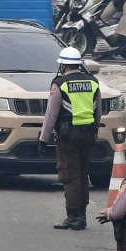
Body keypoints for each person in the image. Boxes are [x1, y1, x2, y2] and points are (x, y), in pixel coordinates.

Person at [39, 47, 101, 230]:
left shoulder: (60, 84)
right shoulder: (93, 82)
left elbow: (51, 115)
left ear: (64, 64)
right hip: (89, 134)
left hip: (68, 136)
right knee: (82, 173)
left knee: (69, 174)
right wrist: (94, 129)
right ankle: (81, 214)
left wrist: (43, 139)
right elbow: (98, 112)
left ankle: (73, 217)